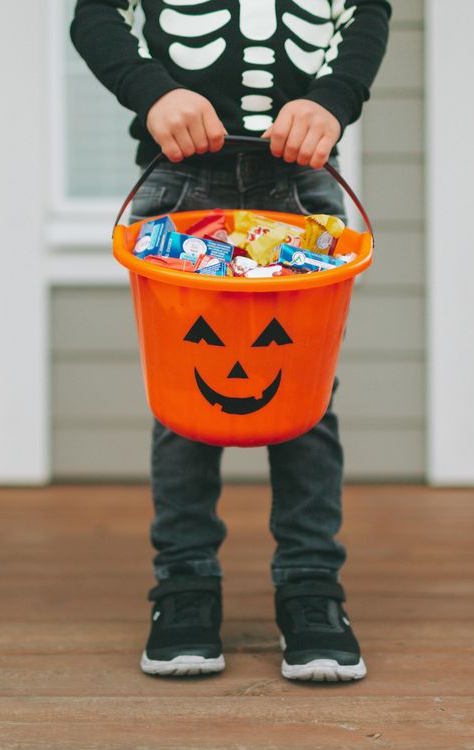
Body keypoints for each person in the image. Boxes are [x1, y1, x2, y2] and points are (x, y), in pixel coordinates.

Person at [71, 0, 390, 682]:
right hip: (180, 178)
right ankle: (183, 590)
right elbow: (94, 13)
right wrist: (152, 92)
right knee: (184, 394)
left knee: (305, 397)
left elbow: (366, 11)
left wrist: (333, 100)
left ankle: (312, 592)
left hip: (301, 185)